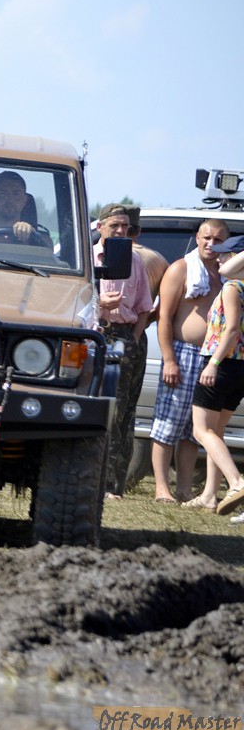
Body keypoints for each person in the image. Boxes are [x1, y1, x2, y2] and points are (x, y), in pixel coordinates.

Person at [150, 219, 226, 504]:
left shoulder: (225, 274)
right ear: (197, 238)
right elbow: (164, 317)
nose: (211, 244)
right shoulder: (181, 269)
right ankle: (161, 489)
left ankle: (183, 489)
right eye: (207, 237)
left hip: (211, 358)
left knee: (196, 429)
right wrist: (169, 359)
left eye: (218, 240)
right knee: (168, 424)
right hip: (182, 354)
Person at [94, 203, 154, 498]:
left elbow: (144, 307)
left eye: (125, 227)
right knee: (99, 408)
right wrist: (99, 305)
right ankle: (94, 476)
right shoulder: (86, 257)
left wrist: (134, 337)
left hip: (127, 336)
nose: (120, 231)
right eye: (114, 225)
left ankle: (114, 484)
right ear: (100, 227)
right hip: (94, 334)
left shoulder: (136, 260)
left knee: (123, 413)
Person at [187, 233, 244, 519]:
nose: (219, 259)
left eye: (224, 254)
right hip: (240, 368)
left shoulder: (232, 287)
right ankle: (209, 495)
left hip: (221, 364)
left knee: (201, 431)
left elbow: (231, 329)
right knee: (215, 433)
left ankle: (237, 482)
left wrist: (213, 363)